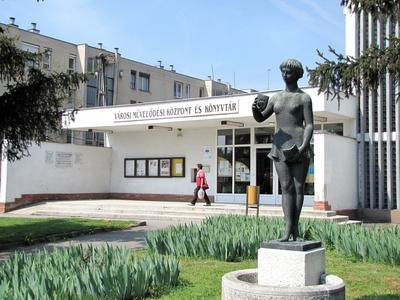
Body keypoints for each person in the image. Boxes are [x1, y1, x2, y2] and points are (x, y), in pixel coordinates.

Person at [252, 59, 314, 242]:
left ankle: (296, 228)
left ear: (297, 74)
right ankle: (287, 228)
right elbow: (261, 118)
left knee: (298, 187)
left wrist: (303, 147)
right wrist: (255, 110)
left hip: (299, 145)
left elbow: (309, 125)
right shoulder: (276, 98)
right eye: (283, 72)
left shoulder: (304, 98)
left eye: (288, 72)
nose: (285, 75)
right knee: (286, 187)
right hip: (279, 146)